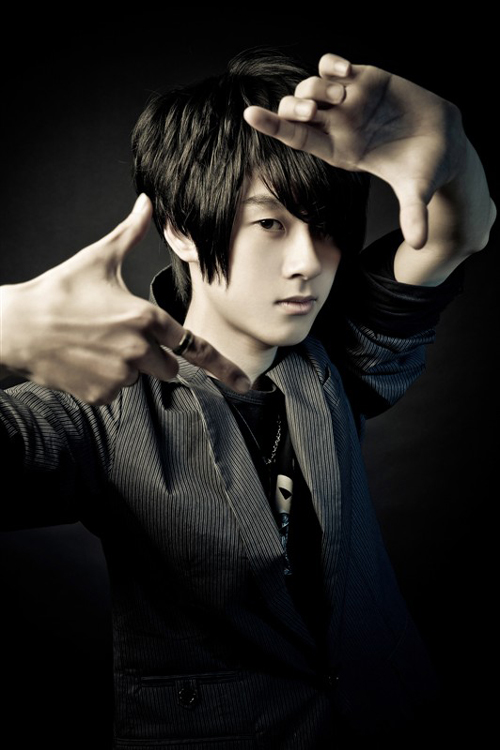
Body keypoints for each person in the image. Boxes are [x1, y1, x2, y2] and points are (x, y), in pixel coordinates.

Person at [0, 47, 495, 748]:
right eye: (270, 224)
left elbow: (459, 230)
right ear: (180, 228)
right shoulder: (96, 403)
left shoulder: (335, 353)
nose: (308, 262)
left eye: (324, 226)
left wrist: (451, 144)